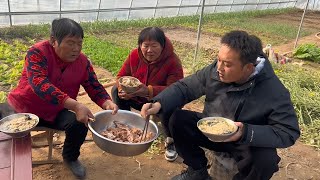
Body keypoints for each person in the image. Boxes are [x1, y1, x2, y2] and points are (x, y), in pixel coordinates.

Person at [141, 30, 300, 180]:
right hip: (211, 131)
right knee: (177, 119)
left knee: (266, 160)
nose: (219, 68)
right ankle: (197, 170)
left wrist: (246, 132)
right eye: (219, 60)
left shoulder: (273, 90)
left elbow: (288, 131)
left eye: (228, 64)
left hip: (243, 141)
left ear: (248, 68)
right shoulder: (216, 70)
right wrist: (159, 102)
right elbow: (186, 87)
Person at [7, 18, 118, 178]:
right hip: (24, 107)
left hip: (55, 111)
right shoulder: (37, 52)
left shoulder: (82, 62)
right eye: (70, 43)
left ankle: (71, 158)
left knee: (79, 124)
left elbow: (93, 85)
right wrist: (75, 105)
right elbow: (39, 83)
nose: (76, 49)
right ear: (53, 40)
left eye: (79, 43)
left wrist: (106, 102)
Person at [111, 27, 184, 162]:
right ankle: (125, 127)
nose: (149, 50)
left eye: (154, 46)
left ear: (162, 46)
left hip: (159, 103)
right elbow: (121, 76)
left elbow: (176, 91)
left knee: (172, 107)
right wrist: (124, 90)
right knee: (115, 91)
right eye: (146, 46)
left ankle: (171, 141)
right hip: (137, 99)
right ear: (140, 45)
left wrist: (148, 91)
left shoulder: (173, 62)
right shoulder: (134, 55)